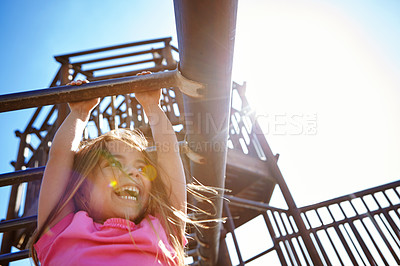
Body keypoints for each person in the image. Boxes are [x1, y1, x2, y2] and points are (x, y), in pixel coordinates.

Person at [29, 71, 187, 265]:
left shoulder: (162, 230)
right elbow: (60, 158)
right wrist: (79, 114)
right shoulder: (62, 231)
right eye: (115, 164)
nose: (135, 172)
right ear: (83, 190)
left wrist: (153, 107)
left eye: (141, 167)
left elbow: (169, 155)